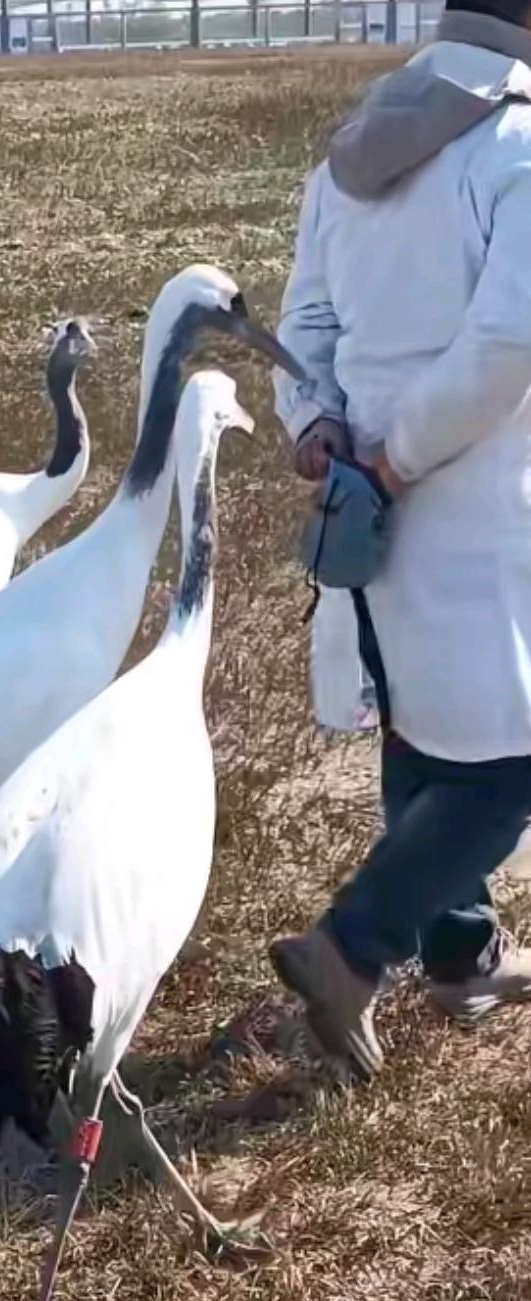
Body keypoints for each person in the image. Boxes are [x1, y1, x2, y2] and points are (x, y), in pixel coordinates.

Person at [271, 0, 531, 1080]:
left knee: (418, 732)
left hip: (367, 510)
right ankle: (351, 946)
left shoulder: (352, 148)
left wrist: (318, 426)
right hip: (476, 503)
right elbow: (503, 347)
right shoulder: (513, 144)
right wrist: (398, 455)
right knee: (508, 764)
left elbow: (304, 329)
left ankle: (458, 947)